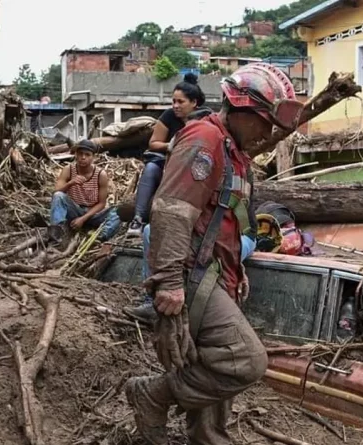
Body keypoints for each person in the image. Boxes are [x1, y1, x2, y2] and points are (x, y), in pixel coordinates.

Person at [125, 63, 303, 445]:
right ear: (241, 109)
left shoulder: (233, 151)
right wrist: (169, 284)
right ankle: (153, 394)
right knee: (245, 360)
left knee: (204, 359)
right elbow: (172, 211)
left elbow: (226, 220)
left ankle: (209, 439)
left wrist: (236, 269)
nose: (268, 132)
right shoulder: (204, 139)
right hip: (192, 273)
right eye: (264, 121)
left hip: (217, 272)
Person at [126, 73, 207, 237]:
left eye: (181, 102)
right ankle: (138, 219)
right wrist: (171, 145)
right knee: (150, 168)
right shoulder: (169, 115)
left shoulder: (206, 118)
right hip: (168, 163)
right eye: (174, 101)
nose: (176, 105)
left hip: (195, 166)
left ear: (194, 103)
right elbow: (154, 143)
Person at [124, 225, 258, 323]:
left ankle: (206, 314)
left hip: (236, 235)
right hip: (200, 229)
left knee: (207, 250)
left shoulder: (232, 190)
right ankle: (151, 301)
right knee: (150, 230)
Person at [48, 139, 121, 243]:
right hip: (75, 211)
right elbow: (56, 192)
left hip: (93, 214)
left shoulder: (101, 174)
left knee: (117, 212)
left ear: (93, 157)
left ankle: (101, 236)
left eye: (87, 155)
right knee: (58, 196)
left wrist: (83, 219)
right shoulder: (68, 169)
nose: (83, 157)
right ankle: (57, 234)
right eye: (80, 154)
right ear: (76, 155)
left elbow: (101, 203)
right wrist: (70, 183)